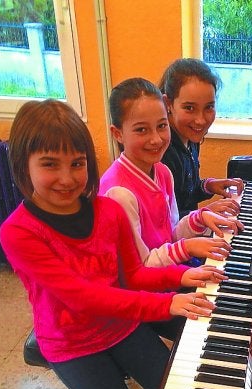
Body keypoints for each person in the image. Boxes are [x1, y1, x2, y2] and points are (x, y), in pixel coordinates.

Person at [0, 99, 228, 389]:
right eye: (50, 164)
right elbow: (84, 298)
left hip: (119, 327)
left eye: (77, 163)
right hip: (72, 346)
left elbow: (134, 274)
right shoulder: (18, 233)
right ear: (23, 166)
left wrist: (181, 278)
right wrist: (165, 306)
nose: (67, 178)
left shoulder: (106, 211)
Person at [100, 77, 243, 269]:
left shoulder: (162, 172)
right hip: (144, 285)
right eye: (141, 130)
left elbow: (172, 234)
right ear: (118, 134)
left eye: (161, 126)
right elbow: (140, 269)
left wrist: (200, 218)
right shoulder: (119, 194)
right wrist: (188, 247)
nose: (156, 139)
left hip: (168, 273)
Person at [159, 58, 244, 218]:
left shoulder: (190, 138)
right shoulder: (162, 153)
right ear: (168, 103)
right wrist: (203, 215)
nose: (201, 120)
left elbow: (185, 194)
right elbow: (164, 221)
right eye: (189, 108)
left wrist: (207, 186)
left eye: (209, 107)